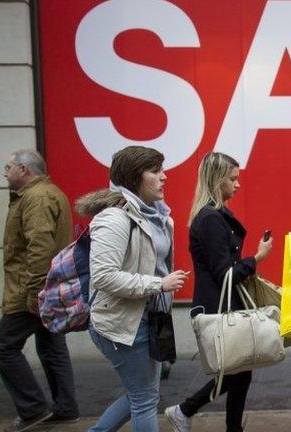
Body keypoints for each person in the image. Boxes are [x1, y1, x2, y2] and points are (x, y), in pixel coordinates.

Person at [76, 146, 189, 432]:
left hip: (149, 317)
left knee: (143, 395)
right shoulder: (114, 218)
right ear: (135, 177)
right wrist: (159, 284)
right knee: (144, 398)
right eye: (155, 171)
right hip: (121, 322)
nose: (164, 177)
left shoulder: (161, 217)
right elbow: (103, 276)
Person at [164, 152, 273, 432]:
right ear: (217, 180)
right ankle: (185, 410)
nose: (238, 185)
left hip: (222, 304)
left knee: (240, 371)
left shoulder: (214, 216)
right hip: (218, 307)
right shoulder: (211, 220)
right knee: (234, 371)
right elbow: (225, 274)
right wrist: (257, 258)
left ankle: (192, 413)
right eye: (233, 179)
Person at [0, 149, 80, 432]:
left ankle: (33, 409)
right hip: (48, 286)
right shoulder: (45, 194)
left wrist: (33, 294)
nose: (5, 173)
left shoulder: (37, 198)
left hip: (32, 289)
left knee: (3, 347)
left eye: (9, 167)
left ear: (25, 170)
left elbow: (38, 249)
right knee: (52, 347)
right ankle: (65, 409)